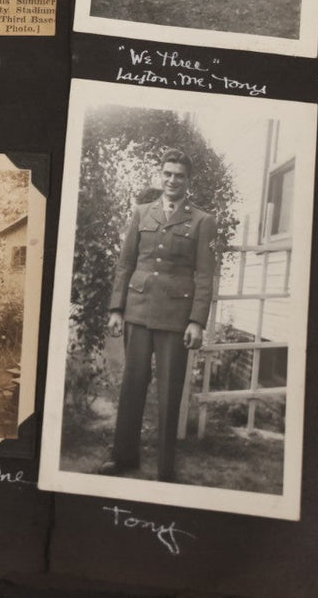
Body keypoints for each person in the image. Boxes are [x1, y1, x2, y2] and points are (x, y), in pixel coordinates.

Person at [99, 150, 217, 483]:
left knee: (169, 391)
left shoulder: (202, 221)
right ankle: (123, 457)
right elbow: (126, 263)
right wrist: (116, 308)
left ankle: (165, 468)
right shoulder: (141, 213)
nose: (172, 180)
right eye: (167, 173)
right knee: (132, 385)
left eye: (179, 175)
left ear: (187, 180)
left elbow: (204, 275)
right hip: (137, 310)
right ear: (159, 175)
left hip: (175, 316)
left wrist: (196, 320)